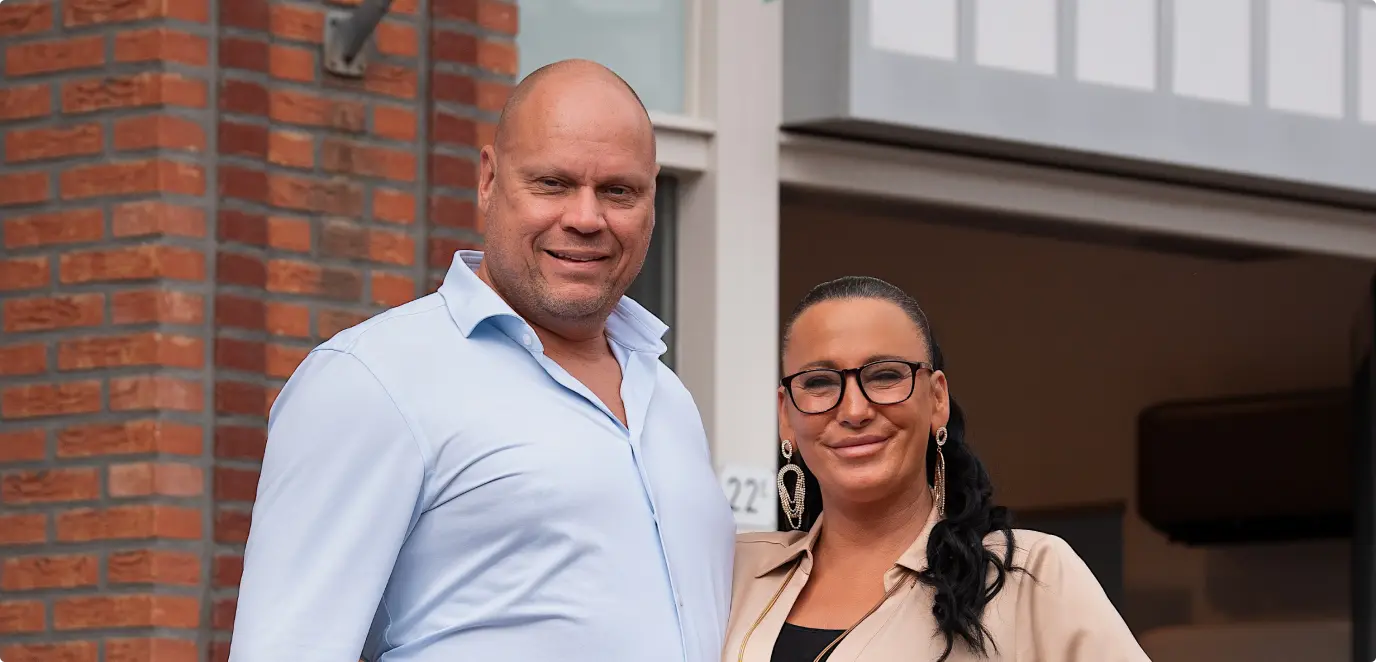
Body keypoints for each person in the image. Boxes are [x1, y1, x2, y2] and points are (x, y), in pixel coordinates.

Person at [228, 59, 735, 662]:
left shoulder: (667, 395)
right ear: (489, 180)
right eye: (552, 183)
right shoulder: (374, 379)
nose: (585, 218)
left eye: (618, 191)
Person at [724, 276, 1149, 662]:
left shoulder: (1030, 576)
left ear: (937, 399)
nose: (854, 410)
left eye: (886, 375)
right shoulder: (731, 571)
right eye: (819, 382)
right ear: (786, 415)